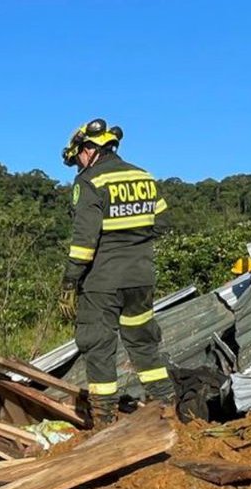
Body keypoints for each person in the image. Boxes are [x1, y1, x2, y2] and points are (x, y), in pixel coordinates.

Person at [59, 118, 177, 424]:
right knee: (143, 342)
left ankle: (103, 421)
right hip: (141, 278)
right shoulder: (144, 176)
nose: (78, 165)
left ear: (88, 149)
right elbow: (162, 222)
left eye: (78, 159)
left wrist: (69, 282)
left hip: (103, 282)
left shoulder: (89, 181)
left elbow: (84, 242)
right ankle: (165, 406)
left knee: (98, 345)